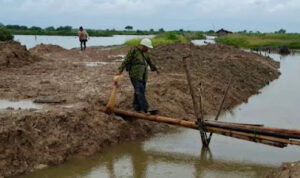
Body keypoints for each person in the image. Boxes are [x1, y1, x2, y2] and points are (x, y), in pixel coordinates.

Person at [118, 38, 159, 113]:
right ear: (143, 46)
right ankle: (145, 109)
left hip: (143, 75)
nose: (148, 49)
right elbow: (126, 60)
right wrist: (120, 70)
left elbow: (149, 61)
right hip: (135, 74)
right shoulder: (134, 51)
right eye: (147, 47)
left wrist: (156, 69)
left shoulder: (145, 53)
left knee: (138, 91)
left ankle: (136, 107)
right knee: (140, 91)